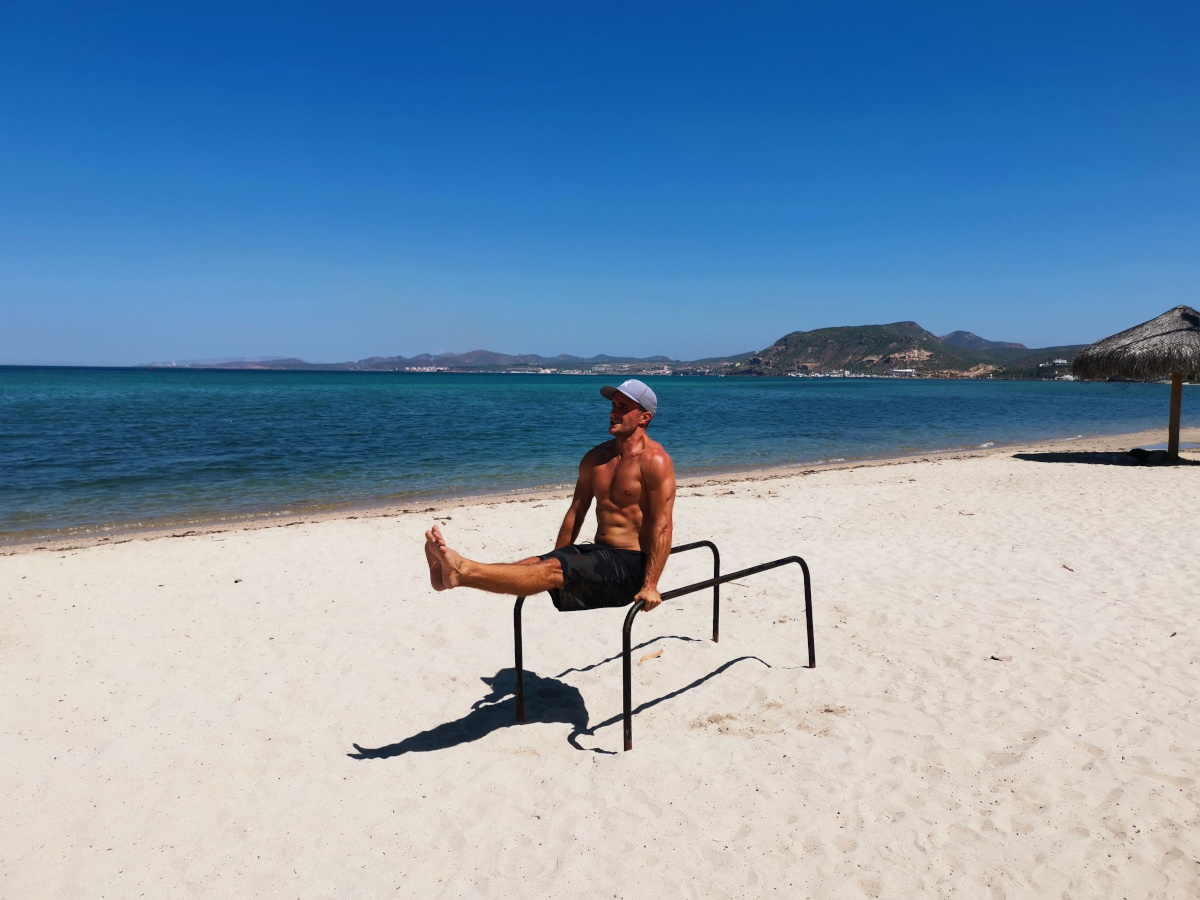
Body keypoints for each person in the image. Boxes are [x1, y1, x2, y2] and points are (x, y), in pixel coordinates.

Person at [424, 379, 676, 611]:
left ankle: (462, 569)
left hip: (632, 565)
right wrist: (559, 556)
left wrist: (651, 584)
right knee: (534, 564)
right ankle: (453, 578)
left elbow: (662, 525)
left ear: (644, 417)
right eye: (613, 406)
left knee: (550, 570)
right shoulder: (596, 459)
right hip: (600, 553)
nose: (613, 413)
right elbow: (576, 512)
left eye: (623, 407)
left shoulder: (655, 460)